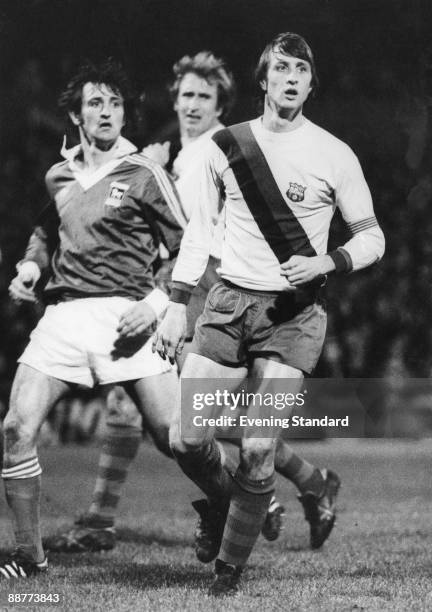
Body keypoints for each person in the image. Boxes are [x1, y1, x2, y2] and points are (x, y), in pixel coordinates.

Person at [44, 50, 342, 558]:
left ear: (221, 104)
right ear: (174, 98)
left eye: (205, 96)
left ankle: (265, 491)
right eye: (186, 95)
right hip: (182, 287)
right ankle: (302, 485)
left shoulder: (226, 148)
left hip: (214, 292)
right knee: (153, 405)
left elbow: (200, 232)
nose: (193, 104)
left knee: (194, 415)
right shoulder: (178, 155)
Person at [153, 32, 385, 595]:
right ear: (263, 80)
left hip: (294, 314)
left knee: (257, 444)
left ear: (310, 83)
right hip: (229, 304)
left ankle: (228, 572)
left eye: (301, 70)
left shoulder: (334, 153)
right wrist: (176, 305)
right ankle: (233, 504)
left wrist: (327, 262)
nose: (290, 78)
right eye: (281, 68)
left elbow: (373, 236)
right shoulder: (223, 146)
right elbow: (200, 233)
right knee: (185, 437)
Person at [0, 59, 186, 580]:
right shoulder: (58, 173)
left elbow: (185, 247)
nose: (107, 112)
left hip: (126, 315)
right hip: (63, 315)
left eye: (115, 103)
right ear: (77, 117)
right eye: (96, 103)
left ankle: (229, 500)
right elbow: (46, 233)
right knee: (16, 427)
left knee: (176, 440)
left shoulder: (144, 172)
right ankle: (29, 558)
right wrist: (31, 267)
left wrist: (154, 305)